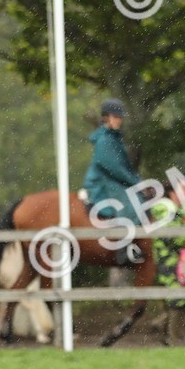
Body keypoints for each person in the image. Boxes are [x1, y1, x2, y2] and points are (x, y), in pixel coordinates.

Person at [82, 98, 143, 264]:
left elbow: (124, 166)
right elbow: (113, 168)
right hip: (103, 182)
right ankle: (123, 249)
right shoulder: (105, 140)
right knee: (130, 203)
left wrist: (137, 180)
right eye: (115, 117)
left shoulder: (113, 138)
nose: (118, 120)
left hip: (112, 179)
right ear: (106, 118)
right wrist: (135, 183)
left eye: (119, 117)